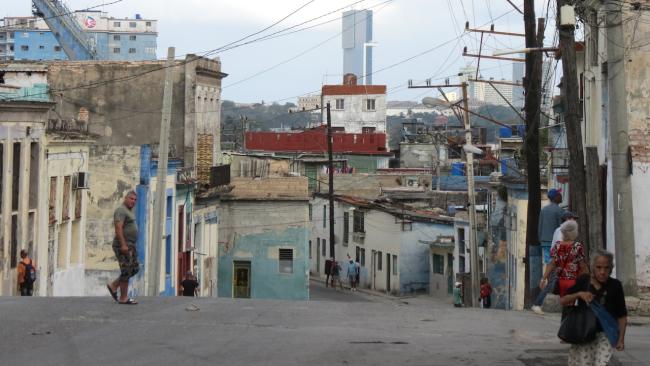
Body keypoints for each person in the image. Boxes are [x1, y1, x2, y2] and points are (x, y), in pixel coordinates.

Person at [560, 249, 627, 366]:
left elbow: (622, 316)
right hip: (583, 334)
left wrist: (621, 339)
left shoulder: (615, 285)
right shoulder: (583, 281)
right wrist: (579, 294)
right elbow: (563, 300)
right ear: (592, 267)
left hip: (605, 335)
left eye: (606, 268)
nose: (602, 272)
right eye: (598, 267)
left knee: (602, 363)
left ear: (611, 269)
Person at [532, 211, 579, 315]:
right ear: (567, 220)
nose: (574, 221)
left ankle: (570, 307)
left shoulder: (565, 231)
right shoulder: (561, 231)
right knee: (552, 285)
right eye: (572, 219)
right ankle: (537, 304)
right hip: (558, 263)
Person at [106, 191, 140, 305]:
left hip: (131, 244)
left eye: (135, 200)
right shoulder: (121, 210)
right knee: (126, 271)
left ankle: (114, 285)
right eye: (131, 199)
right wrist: (123, 245)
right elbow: (118, 228)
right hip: (123, 244)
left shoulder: (129, 211)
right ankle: (123, 298)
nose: (133, 201)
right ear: (125, 198)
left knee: (134, 268)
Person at [538, 188, 565, 268]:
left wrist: (541, 240)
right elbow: (562, 229)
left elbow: (540, 226)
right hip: (556, 242)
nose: (561, 196)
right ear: (555, 197)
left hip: (545, 241)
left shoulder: (544, 210)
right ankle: (553, 280)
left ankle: (549, 279)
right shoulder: (560, 211)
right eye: (559, 194)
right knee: (557, 264)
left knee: (548, 263)